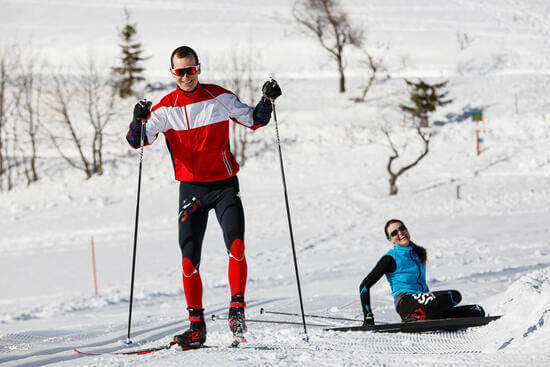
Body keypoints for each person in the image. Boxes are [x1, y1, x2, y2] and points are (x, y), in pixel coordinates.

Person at [126, 46, 282, 348]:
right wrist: (138, 120)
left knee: (236, 246)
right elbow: (137, 141)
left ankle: (237, 311)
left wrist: (268, 99)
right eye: (180, 71)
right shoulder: (166, 109)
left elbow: (255, 119)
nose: (186, 76)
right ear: (172, 73)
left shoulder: (219, 97)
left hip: (224, 185)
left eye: (191, 70)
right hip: (192, 190)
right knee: (188, 262)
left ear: (199, 68)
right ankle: (196, 327)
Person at [359, 219, 485, 326]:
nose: (400, 233)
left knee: (477, 311)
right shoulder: (390, 258)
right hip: (406, 303)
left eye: (402, 228)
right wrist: (368, 316)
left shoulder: (418, 253)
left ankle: (426, 317)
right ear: (390, 239)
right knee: (454, 296)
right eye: (394, 232)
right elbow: (364, 285)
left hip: (424, 303)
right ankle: (413, 317)